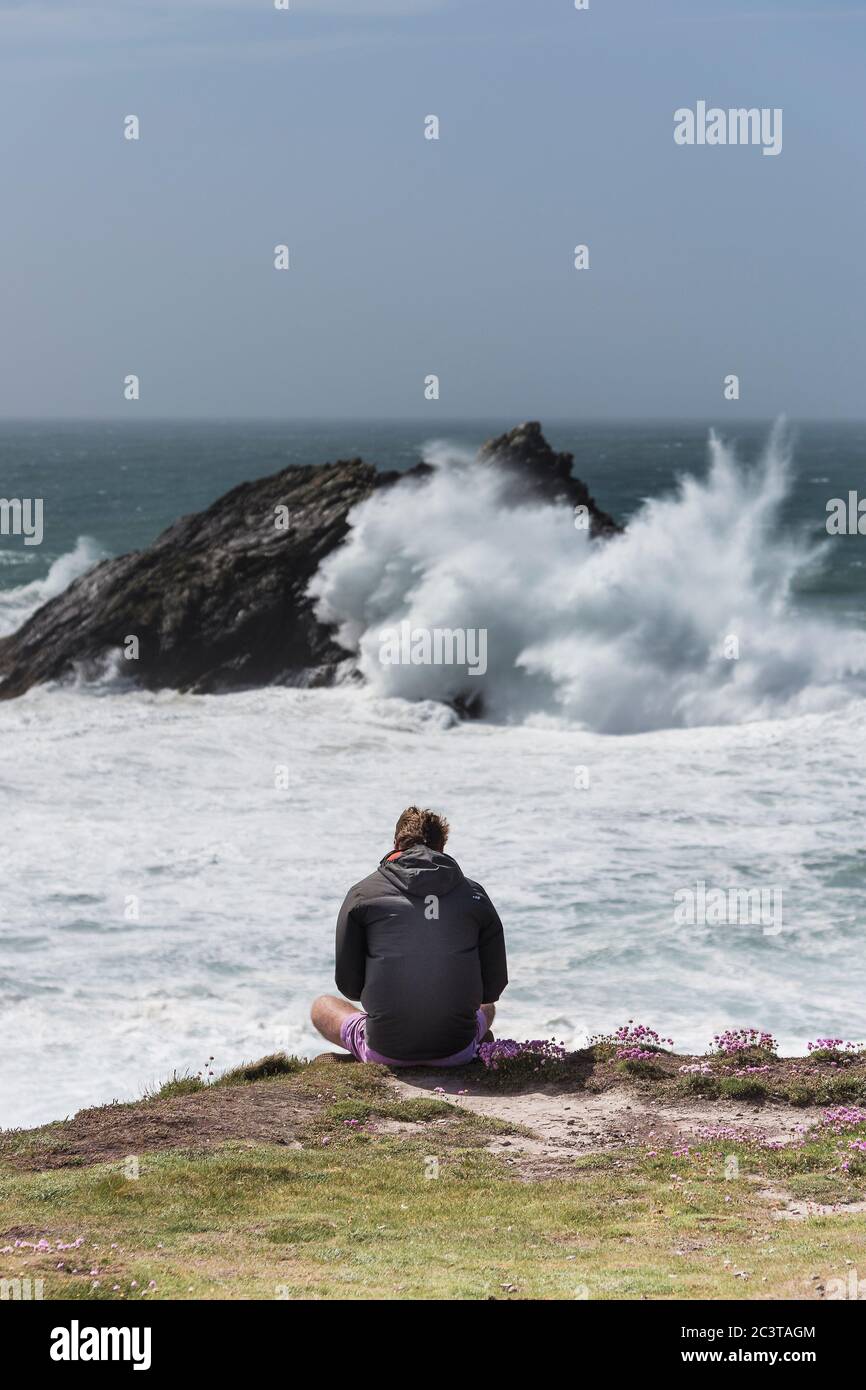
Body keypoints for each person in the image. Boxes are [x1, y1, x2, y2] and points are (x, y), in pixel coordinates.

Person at [311, 806, 508, 1066]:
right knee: (487, 1009)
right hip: (456, 1050)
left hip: (386, 1051)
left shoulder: (363, 893)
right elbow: (492, 990)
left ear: (396, 843)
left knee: (322, 1005)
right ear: (443, 846)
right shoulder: (475, 895)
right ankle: (474, 1048)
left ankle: (362, 1054)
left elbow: (349, 987)